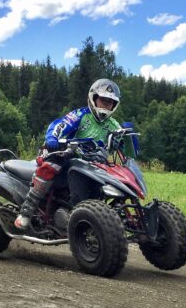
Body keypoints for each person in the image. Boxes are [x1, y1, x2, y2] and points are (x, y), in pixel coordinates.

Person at [14, 78, 135, 230]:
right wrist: (52, 138)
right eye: (103, 100)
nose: (106, 104)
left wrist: (127, 139)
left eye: (110, 102)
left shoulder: (113, 125)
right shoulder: (80, 115)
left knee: (114, 177)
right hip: (66, 154)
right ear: (94, 98)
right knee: (53, 163)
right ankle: (26, 211)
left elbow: (127, 150)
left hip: (93, 164)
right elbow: (59, 125)